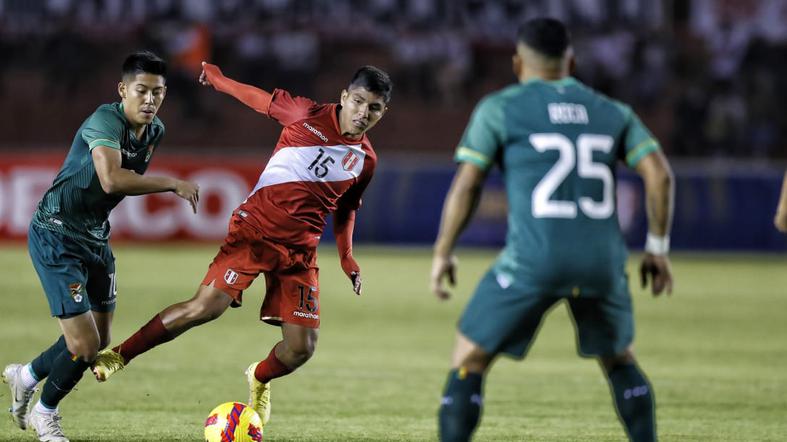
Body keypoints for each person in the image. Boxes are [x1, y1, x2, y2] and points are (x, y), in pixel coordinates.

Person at [91, 61, 392, 432]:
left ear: (383, 112)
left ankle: (260, 377)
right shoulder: (306, 114)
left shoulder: (366, 160)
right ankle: (118, 355)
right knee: (205, 307)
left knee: (301, 349)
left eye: (374, 108)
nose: (364, 113)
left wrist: (347, 259)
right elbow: (260, 100)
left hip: (299, 253)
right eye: (359, 101)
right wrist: (218, 81)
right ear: (345, 96)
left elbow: (346, 210)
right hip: (255, 232)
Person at [430, 18, 674, 442]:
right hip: (602, 263)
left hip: (535, 258)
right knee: (620, 361)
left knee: (469, 358)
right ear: (571, 61)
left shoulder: (500, 108)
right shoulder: (612, 111)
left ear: (517, 63)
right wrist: (656, 248)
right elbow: (660, 175)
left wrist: (443, 251)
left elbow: (468, 183)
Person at [2, 51, 200, 442]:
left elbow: (119, 183)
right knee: (85, 344)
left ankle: (25, 376)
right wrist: (173, 182)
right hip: (57, 233)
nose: (149, 100)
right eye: (141, 91)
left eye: (157, 93)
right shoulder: (103, 120)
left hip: (95, 236)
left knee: (99, 338)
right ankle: (46, 414)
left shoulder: (154, 131)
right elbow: (111, 180)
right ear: (123, 90)